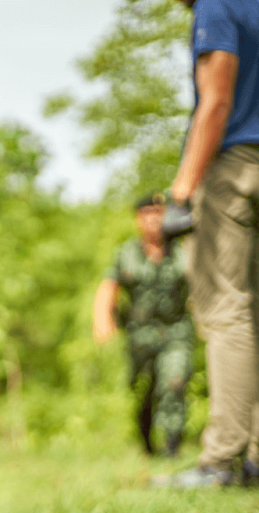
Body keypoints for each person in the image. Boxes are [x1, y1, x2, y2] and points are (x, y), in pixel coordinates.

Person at [162, 0, 259, 486]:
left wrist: (181, 192)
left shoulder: (218, 5)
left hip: (237, 165)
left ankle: (221, 460)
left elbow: (216, 100)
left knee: (225, 309)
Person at [93, 193, 195, 457]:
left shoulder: (183, 250)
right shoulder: (126, 253)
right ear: (138, 219)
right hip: (140, 335)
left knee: (174, 381)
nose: (153, 220)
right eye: (147, 214)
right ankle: (147, 444)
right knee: (144, 389)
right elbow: (109, 286)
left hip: (176, 330)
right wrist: (102, 319)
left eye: (158, 213)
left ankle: (172, 447)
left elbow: (198, 286)